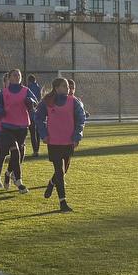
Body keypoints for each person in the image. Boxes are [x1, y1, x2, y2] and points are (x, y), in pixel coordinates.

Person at [36, 75, 87, 213]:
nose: (68, 88)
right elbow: (38, 118)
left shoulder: (73, 101)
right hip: (54, 142)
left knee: (64, 170)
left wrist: (77, 136)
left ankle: (52, 183)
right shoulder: (47, 102)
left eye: (68, 86)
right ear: (57, 88)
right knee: (59, 171)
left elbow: (81, 119)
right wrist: (44, 134)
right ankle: (62, 202)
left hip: (69, 141)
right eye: (64, 86)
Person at [0, 68, 38, 195]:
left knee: (18, 155)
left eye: (19, 75)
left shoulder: (26, 91)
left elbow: (35, 103)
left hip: (22, 127)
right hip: (7, 127)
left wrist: (31, 102)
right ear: (9, 78)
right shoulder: (3, 93)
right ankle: (19, 182)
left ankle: (8, 173)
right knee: (15, 151)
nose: (17, 77)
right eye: (14, 75)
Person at [0, 72, 22, 190]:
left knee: (18, 153)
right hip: (1, 130)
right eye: (8, 80)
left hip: (16, 129)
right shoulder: (0, 96)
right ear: (5, 82)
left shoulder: (20, 93)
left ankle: (9, 173)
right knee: (2, 156)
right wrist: (0, 111)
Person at [26, 73, 43, 157]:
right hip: (38, 111)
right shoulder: (38, 88)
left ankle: (35, 150)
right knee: (38, 132)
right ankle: (37, 149)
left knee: (32, 132)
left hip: (31, 112)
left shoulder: (28, 88)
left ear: (29, 81)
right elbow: (39, 99)